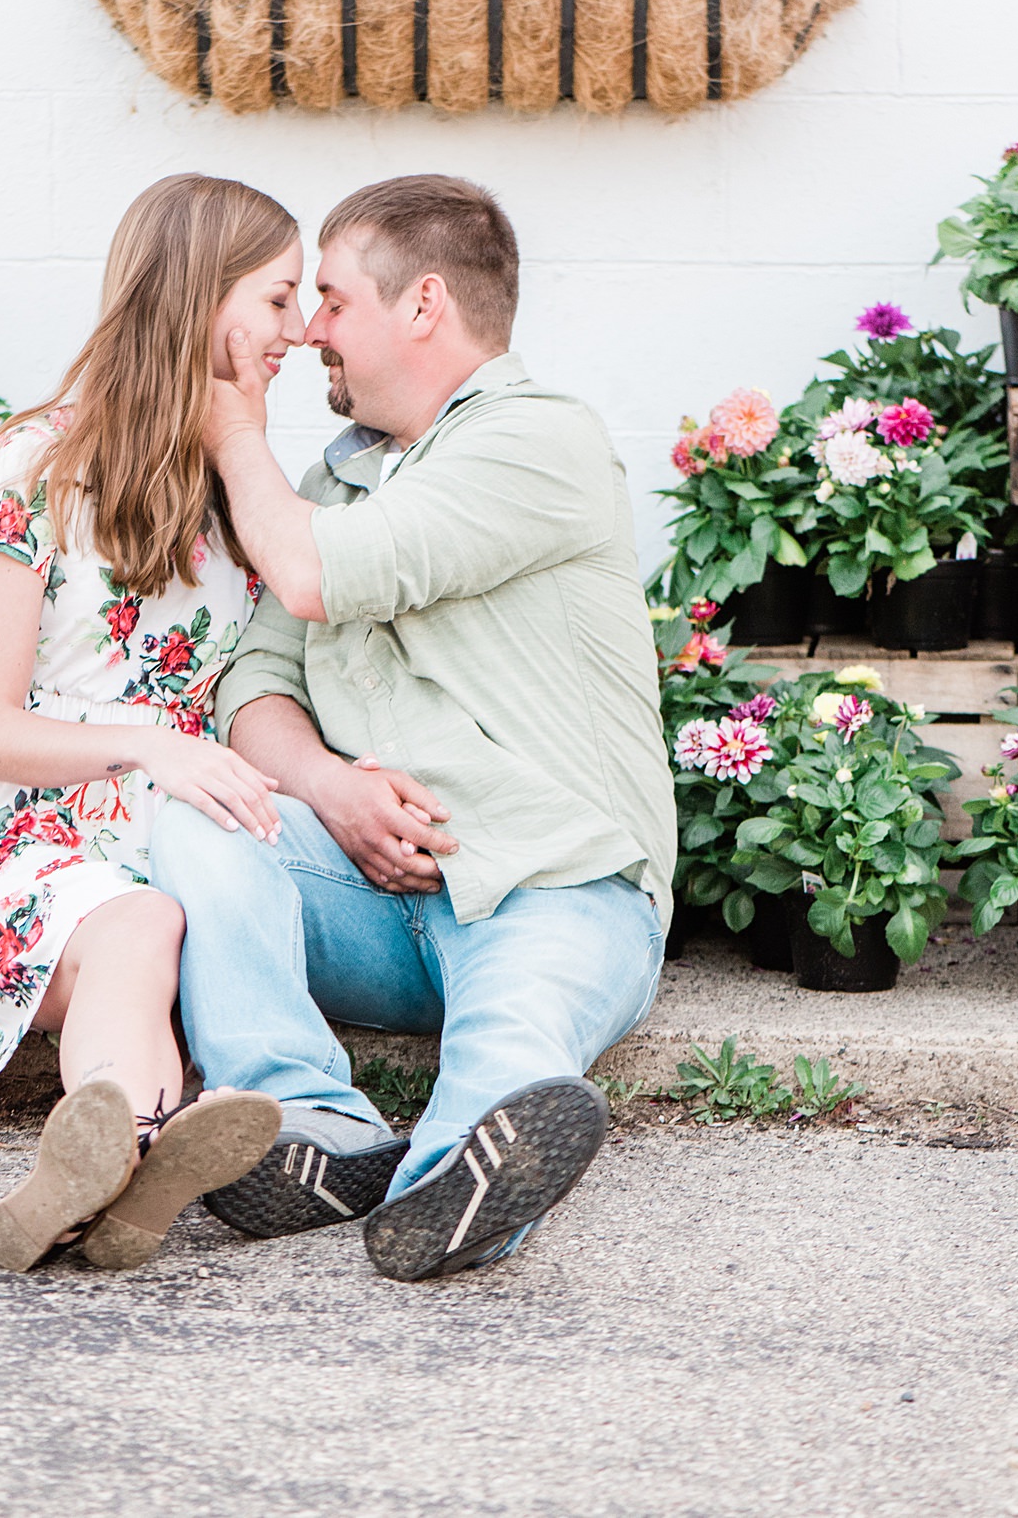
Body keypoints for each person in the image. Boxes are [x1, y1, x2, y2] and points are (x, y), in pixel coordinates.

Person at [149, 174, 676, 1282]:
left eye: (331, 301)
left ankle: (449, 1187)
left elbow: (312, 576)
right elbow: (253, 686)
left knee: (515, 1020)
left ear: (424, 304)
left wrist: (231, 424)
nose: (308, 334)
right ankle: (310, 1129)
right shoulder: (328, 481)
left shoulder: (540, 441)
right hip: (379, 898)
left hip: (554, 883)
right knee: (194, 821)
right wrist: (330, 792)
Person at [0, 174, 308, 1274]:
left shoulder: (236, 482)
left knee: (150, 929)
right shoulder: (39, 470)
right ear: (203, 295)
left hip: (155, 845)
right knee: (141, 929)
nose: (298, 329)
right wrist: (151, 742)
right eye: (278, 298)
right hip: (22, 846)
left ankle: (110, 1179)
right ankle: (140, 1146)